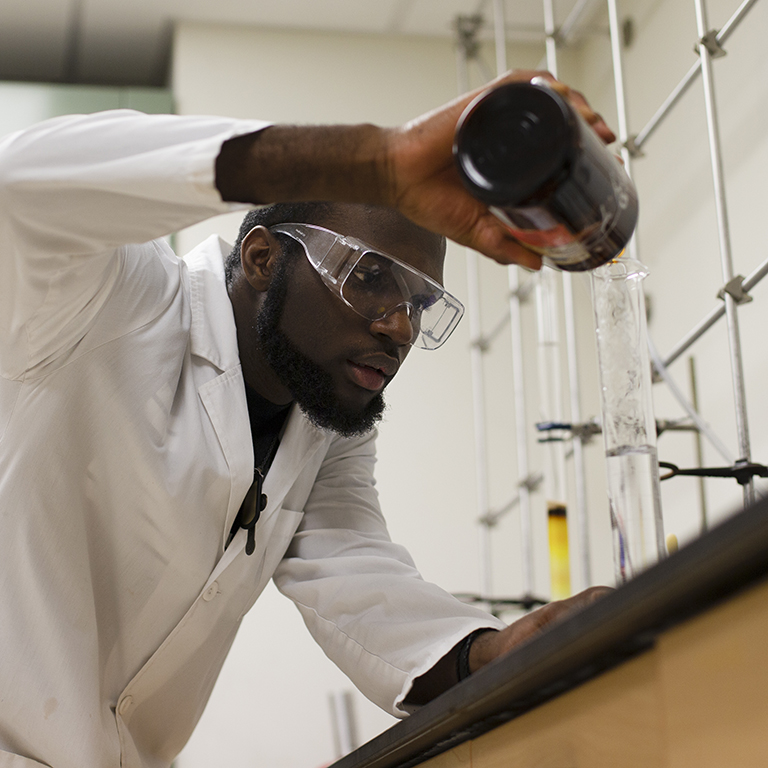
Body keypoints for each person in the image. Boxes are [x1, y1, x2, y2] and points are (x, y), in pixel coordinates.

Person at [0, 70, 612, 768]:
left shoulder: (321, 423)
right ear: (262, 258)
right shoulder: (108, 300)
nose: (398, 326)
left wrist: (496, 652)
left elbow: (351, 570)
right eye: (372, 277)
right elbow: (17, 181)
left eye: (420, 304)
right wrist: (379, 160)